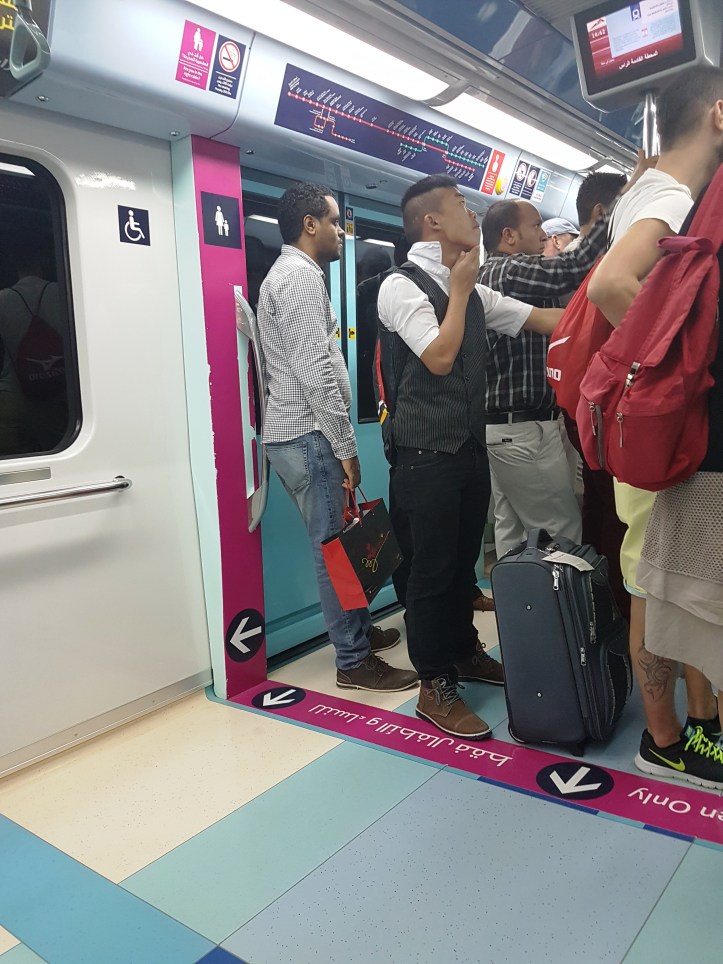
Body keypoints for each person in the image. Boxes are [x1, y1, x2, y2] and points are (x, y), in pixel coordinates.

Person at [377, 174, 563, 739]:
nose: (472, 213)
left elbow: (541, 319)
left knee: (461, 567)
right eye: (461, 204)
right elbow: (438, 356)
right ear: (432, 221)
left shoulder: (477, 292)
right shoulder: (400, 287)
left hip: (468, 449)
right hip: (423, 455)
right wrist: (458, 291)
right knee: (430, 573)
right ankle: (433, 684)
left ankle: (462, 651)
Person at [589, 64, 723, 786]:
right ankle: (667, 738)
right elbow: (613, 284)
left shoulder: (649, 190)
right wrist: (673, 370)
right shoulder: (674, 197)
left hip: (641, 428)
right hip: (660, 427)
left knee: (664, 581)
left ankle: (691, 728)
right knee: (658, 584)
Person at [256, 182, 417, 693]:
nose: (341, 232)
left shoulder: (293, 275)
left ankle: (359, 634)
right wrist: (347, 447)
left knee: (341, 542)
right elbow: (316, 375)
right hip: (308, 434)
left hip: (303, 433)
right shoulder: (299, 279)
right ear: (309, 225)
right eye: (332, 222)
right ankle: (353, 659)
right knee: (335, 550)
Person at [478, 198, 608, 556]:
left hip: (503, 428)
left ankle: (514, 594)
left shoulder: (487, 275)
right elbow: (569, 268)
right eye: (536, 226)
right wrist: (609, 218)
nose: (543, 235)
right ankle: (566, 595)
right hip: (525, 430)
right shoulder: (508, 270)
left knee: (512, 530)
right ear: (508, 235)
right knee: (562, 531)